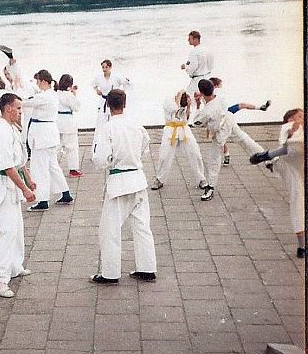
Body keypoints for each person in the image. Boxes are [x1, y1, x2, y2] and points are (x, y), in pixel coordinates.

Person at [90, 89, 156, 284]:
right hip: (138, 179)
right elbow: (145, 147)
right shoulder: (136, 125)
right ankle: (147, 268)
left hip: (119, 183)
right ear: (125, 104)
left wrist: (111, 161)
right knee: (142, 226)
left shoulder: (107, 128)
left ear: (108, 105)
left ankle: (110, 273)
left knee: (109, 230)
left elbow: (101, 160)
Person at [0, 92, 35, 298]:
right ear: (8, 109)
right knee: (7, 232)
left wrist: (29, 178)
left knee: (17, 229)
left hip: (12, 185)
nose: (21, 112)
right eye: (18, 108)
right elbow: (7, 166)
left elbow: (20, 160)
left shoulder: (12, 128)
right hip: (3, 186)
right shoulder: (0, 132)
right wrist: (25, 189)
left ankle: (14, 265)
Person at [192, 79, 264, 201]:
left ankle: (210, 187)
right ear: (213, 88)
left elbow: (196, 123)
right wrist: (203, 97)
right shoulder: (220, 95)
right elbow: (212, 97)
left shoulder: (207, 111)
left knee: (214, 159)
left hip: (220, 131)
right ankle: (265, 155)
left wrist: (198, 104)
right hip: (229, 120)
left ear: (202, 92)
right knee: (244, 139)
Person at [249, 109, 304, 258]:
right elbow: (288, 148)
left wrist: (266, 155)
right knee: (298, 203)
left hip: (293, 164)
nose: (302, 118)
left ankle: (268, 161)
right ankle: (302, 247)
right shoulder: (289, 128)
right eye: (299, 116)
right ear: (290, 119)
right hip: (292, 168)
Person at [22, 70, 73, 211]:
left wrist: (13, 100)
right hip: (48, 135)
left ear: (44, 81)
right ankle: (65, 193)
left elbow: (25, 103)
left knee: (39, 169)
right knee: (52, 166)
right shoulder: (51, 95)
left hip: (42, 136)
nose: (37, 84)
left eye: (38, 81)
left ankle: (42, 200)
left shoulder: (44, 96)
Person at [151, 91, 206, 191]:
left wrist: (189, 106)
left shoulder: (186, 101)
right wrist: (180, 95)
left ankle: (201, 179)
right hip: (170, 130)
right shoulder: (169, 101)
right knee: (164, 156)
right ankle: (160, 179)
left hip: (184, 129)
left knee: (195, 153)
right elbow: (175, 109)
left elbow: (187, 118)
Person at [210, 77, 270, 166]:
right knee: (237, 139)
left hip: (224, 116)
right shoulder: (215, 93)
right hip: (222, 118)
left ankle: (226, 156)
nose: (221, 88)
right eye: (220, 86)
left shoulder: (212, 94)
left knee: (221, 139)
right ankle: (264, 156)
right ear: (216, 86)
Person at [55, 74, 83, 177]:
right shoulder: (69, 95)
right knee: (71, 147)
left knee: (56, 146)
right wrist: (74, 94)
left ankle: (51, 165)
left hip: (57, 120)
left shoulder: (55, 94)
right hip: (68, 122)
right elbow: (76, 107)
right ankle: (73, 169)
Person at [92, 59, 131, 130]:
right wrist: (97, 90)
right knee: (101, 119)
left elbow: (127, 84)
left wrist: (121, 92)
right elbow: (93, 84)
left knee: (114, 118)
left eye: (106, 67)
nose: (104, 69)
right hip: (103, 101)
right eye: (103, 67)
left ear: (110, 67)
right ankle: (101, 135)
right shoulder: (99, 77)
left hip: (114, 101)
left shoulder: (116, 77)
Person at [182, 30, 214, 96]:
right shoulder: (207, 49)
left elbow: (193, 67)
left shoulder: (194, 52)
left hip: (197, 80)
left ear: (195, 39)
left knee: (188, 96)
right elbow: (211, 65)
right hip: (208, 78)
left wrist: (185, 67)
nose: (188, 40)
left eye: (190, 38)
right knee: (205, 97)